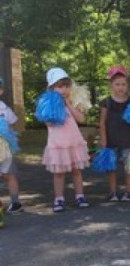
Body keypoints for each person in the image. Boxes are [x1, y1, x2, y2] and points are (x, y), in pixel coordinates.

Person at [40, 68, 91, 212]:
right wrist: (57, 106)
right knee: (59, 173)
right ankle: (59, 198)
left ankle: (80, 196)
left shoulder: (73, 102)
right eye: (59, 86)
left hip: (73, 142)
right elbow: (49, 123)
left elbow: (81, 119)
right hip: (58, 144)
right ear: (51, 88)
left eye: (66, 86)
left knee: (76, 171)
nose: (63, 90)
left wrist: (68, 104)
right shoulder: (48, 104)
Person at [98, 66, 130, 201]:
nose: (121, 87)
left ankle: (129, 191)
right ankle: (113, 192)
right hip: (111, 140)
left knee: (129, 167)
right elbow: (102, 122)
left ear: (128, 85)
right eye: (117, 84)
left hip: (127, 140)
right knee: (111, 168)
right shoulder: (106, 102)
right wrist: (103, 139)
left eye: (123, 84)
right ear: (111, 85)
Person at [0, 77, 23, 219]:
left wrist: (9, 136)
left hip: (4, 148)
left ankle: (16, 202)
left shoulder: (4, 108)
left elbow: (13, 123)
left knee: (9, 175)